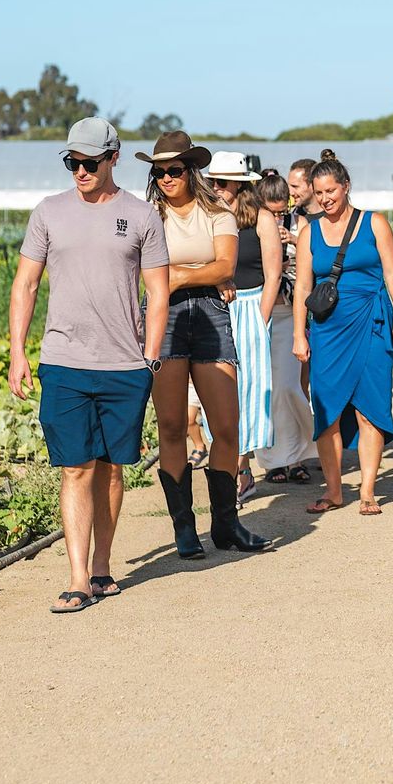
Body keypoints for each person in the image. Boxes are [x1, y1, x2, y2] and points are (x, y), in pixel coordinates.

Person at [8, 119, 170, 613]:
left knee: (112, 468)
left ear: (113, 158)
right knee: (76, 467)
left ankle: (102, 566)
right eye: (71, 162)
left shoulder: (142, 216)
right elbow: (26, 285)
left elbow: (158, 291)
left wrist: (151, 357)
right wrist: (18, 351)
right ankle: (78, 577)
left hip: (125, 364)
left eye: (89, 162)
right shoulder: (49, 212)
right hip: (64, 360)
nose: (79, 170)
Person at [139, 131, 269, 557]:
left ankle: (226, 524)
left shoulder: (217, 210)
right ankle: (183, 528)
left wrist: (175, 274)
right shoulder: (147, 216)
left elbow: (225, 265)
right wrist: (200, 270)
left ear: (191, 170)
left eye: (174, 170)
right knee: (173, 426)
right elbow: (145, 270)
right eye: (159, 172)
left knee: (226, 426)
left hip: (211, 315)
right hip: (166, 317)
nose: (166, 178)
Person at [294, 152, 393, 517]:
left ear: (346, 187)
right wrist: (300, 333)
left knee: (370, 407)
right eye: (319, 192)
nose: (326, 198)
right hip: (327, 329)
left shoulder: (374, 223)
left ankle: (367, 491)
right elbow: (301, 288)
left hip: (373, 323)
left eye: (331, 190)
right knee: (326, 410)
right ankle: (333, 490)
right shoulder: (308, 232)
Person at [209, 152, 282, 503]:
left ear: (239, 183)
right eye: (212, 181)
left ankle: (238, 469)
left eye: (221, 182)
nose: (216, 188)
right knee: (219, 388)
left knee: (250, 390)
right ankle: (239, 469)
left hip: (251, 306)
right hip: (217, 308)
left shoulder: (261, 219)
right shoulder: (208, 216)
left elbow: (273, 274)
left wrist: (261, 317)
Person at [254, 168, 319, 483]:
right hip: (262, 311)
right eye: (273, 213)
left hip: (289, 312)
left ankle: (301, 452)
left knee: (290, 388)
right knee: (267, 390)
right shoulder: (252, 223)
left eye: (283, 212)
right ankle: (273, 460)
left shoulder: (300, 223)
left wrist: (291, 239)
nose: (279, 219)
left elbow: (310, 266)